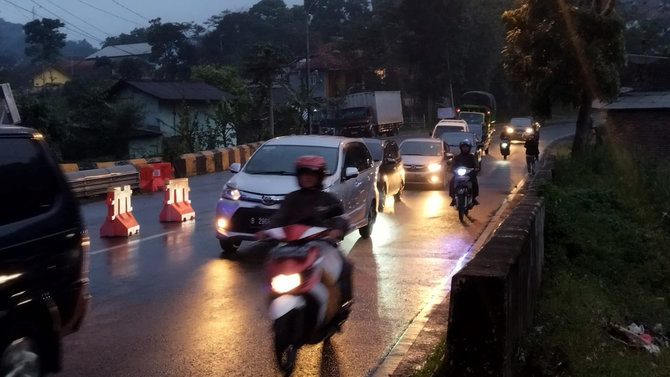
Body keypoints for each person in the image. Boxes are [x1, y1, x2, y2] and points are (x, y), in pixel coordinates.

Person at [256, 155, 352, 303]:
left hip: (322, 245)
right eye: (304, 174)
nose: (307, 177)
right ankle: (273, 300)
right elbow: (279, 217)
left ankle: (343, 304)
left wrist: (336, 231)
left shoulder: (328, 199)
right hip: (293, 246)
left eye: (311, 174)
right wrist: (266, 230)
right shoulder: (291, 199)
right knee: (272, 264)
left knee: (345, 264)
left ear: (319, 176)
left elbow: (340, 218)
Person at [449, 139, 480, 206]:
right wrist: (452, 169)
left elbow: (476, 164)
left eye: (466, 147)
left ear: (469, 148)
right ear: (461, 148)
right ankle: (453, 199)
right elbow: (452, 165)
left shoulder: (472, 157)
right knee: (451, 182)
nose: (465, 148)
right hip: (458, 174)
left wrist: (476, 168)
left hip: (470, 174)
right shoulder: (457, 157)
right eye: (463, 147)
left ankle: (474, 198)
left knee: (474, 182)